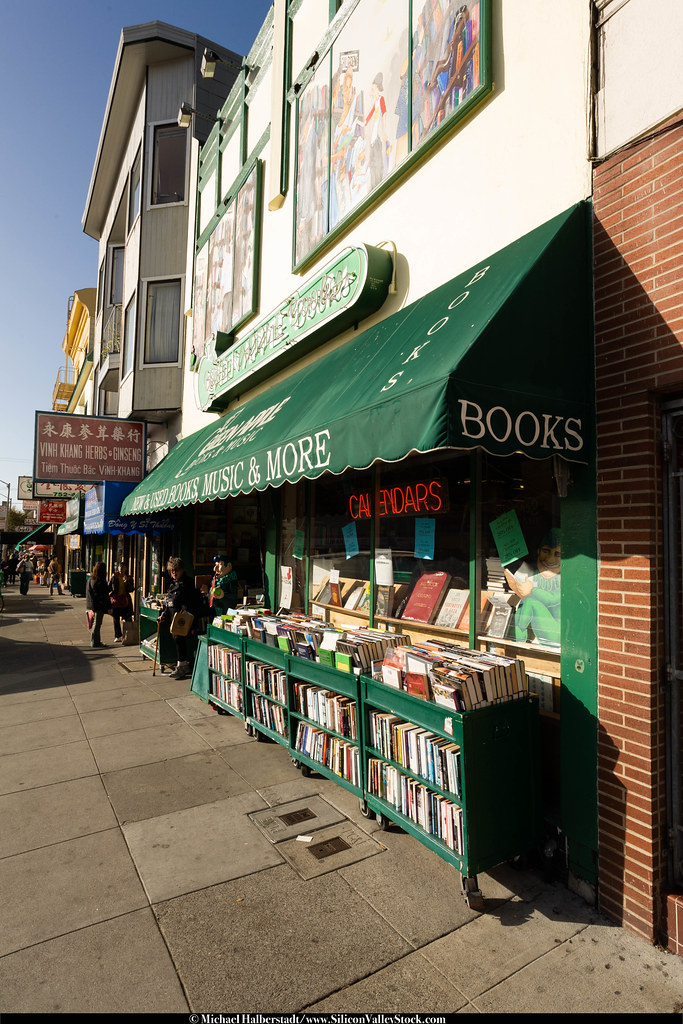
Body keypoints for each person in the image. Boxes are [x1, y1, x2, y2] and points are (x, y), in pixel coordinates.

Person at [504, 528, 562, 646]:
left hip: (559, 633)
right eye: (546, 551)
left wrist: (531, 590)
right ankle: (516, 638)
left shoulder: (564, 579)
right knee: (523, 605)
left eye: (558, 554)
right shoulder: (535, 575)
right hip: (541, 633)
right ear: (538, 551)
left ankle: (520, 640)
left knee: (530, 601)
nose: (550, 559)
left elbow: (552, 599)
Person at [158, 556, 201, 679]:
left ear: (182, 569)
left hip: (186, 620)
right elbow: (169, 603)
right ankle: (182, 665)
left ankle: (182, 666)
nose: (174, 572)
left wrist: (187, 606)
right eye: (172, 570)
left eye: (176, 570)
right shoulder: (172, 584)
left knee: (181, 641)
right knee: (178, 641)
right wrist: (163, 615)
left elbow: (196, 602)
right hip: (174, 620)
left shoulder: (188, 583)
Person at [86, 562, 111, 649]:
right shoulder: (100, 581)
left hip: (91, 605)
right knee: (97, 624)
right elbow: (105, 594)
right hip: (98, 606)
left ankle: (96, 641)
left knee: (96, 623)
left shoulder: (91, 579)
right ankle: (94, 642)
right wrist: (109, 607)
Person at [109, 562, 134, 643]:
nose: (120, 568)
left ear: (125, 568)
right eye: (119, 566)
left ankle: (128, 635)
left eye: (122, 567)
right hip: (116, 601)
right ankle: (118, 635)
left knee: (127, 618)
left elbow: (131, 589)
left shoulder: (129, 577)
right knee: (116, 618)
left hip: (125, 601)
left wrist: (127, 582)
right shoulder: (115, 576)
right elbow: (109, 587)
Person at [208, 554, 239, 619]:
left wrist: (223, 595)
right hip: (217, 610)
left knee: (226, 622)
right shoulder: (216, 580)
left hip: (227, 611)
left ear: (228, 566)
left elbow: (234, 596)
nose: (215, 569)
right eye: (215, 565)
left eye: (219, 565)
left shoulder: (231, 580)